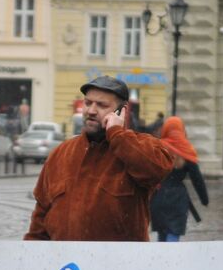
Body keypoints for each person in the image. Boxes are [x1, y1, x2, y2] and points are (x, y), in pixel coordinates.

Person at [25, 76, 173, 242]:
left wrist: (117, 134)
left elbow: (158, 169)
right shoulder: (61, 153)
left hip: (120, 258)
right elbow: (40, 218)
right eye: (88, 103)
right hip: (64, 258)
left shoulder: (137, 146)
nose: (91, 111)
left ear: (121, 112)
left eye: (102, 105)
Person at [149, 116, 208, 243]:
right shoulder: (187, 150)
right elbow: (197, 179)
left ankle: (162, 255)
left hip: (158, 197)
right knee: (173, 233)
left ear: (165, 129)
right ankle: (170, 255)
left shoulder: (158, 147)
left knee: (162, 235)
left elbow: (148, 172)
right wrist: (204, 199)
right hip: (178, 198)